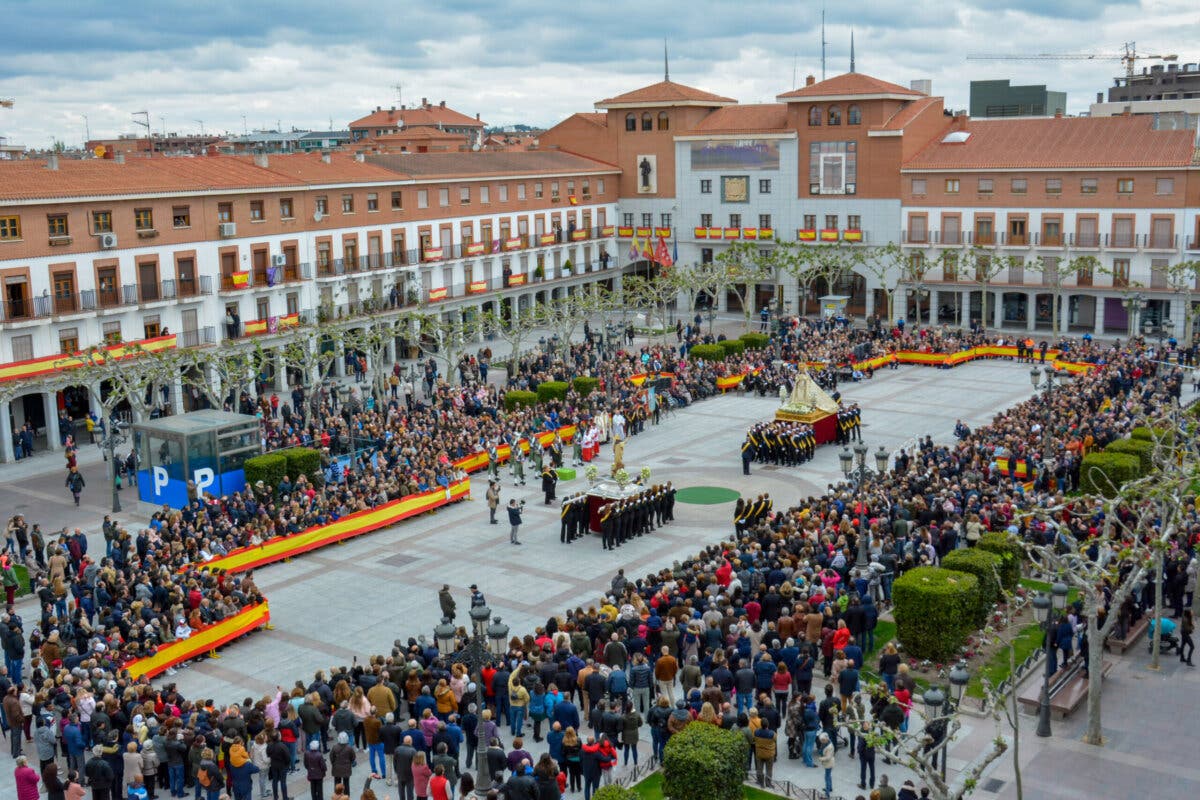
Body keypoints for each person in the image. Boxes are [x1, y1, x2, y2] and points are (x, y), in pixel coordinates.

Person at [817, 731, 835, 798]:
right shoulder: (826, 742)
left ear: (826, 738)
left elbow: (828, 757)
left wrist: (821, 759)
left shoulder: (829, 746)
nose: (822, 741)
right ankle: (830, 788)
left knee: (827, 777)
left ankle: (827, 794)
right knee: (828, 776)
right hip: (828, 763)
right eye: (821, 740)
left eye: (823, 740)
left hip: (829, 763)